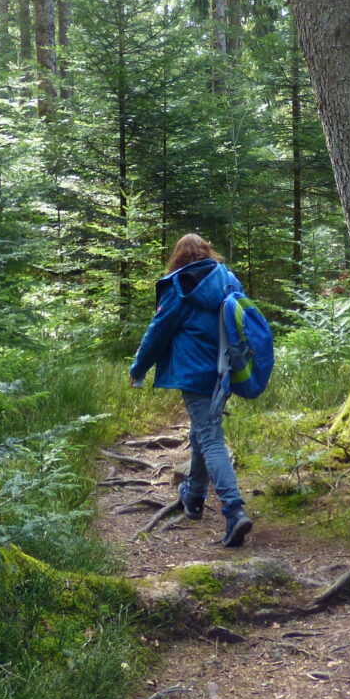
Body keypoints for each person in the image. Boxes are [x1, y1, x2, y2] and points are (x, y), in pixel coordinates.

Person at [129, 233, 255, 548]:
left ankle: (234, 510)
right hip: (226, 370)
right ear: (208, 252)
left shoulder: (179, 286)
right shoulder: (228, 280)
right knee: (201, 432)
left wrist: (138, 369)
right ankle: (194, 497)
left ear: (178, 257)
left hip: (195, 374)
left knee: (210, 438)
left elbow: (158, 332)